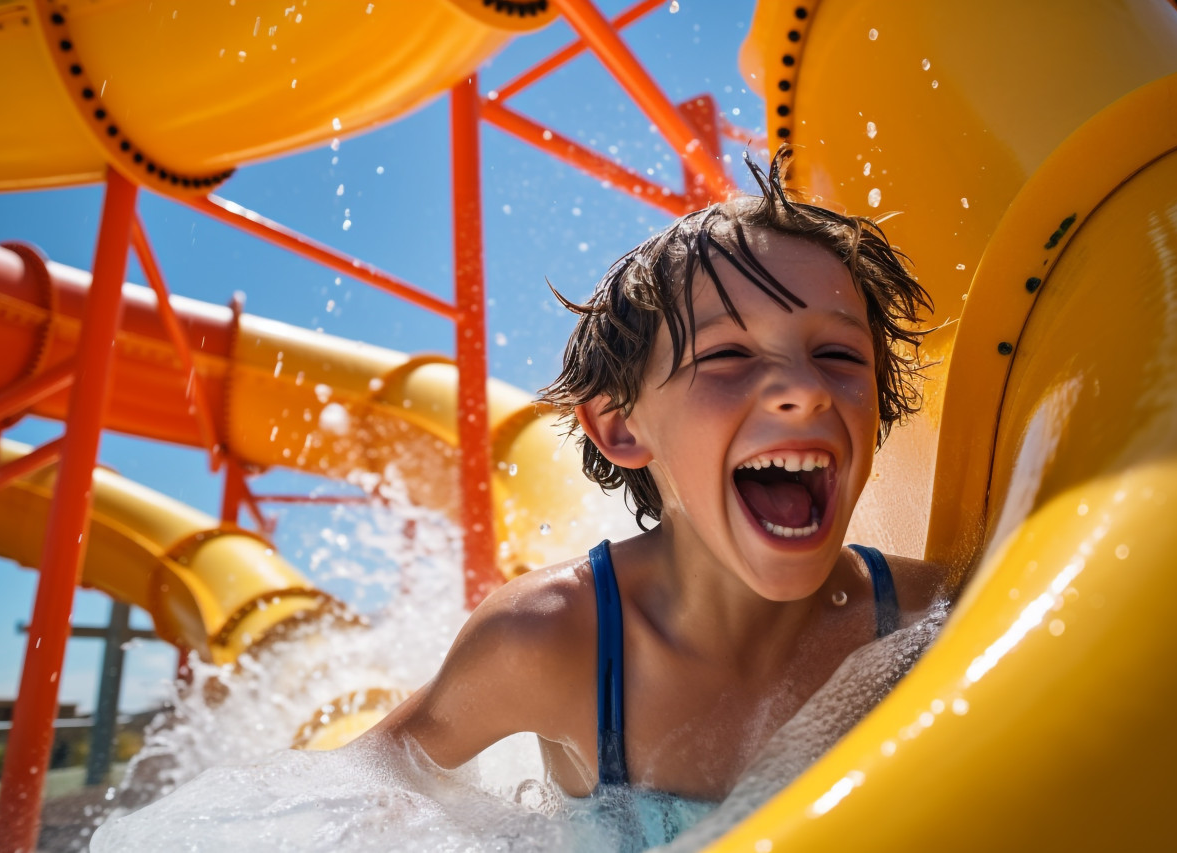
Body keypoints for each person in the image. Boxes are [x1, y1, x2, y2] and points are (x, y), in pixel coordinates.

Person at [360, 149, 941, 847]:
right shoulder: (553, 638)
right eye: (729, 356)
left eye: (840, 356)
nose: (805, 387)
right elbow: (359, 789)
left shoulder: (923, 617)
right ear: (619, 425)